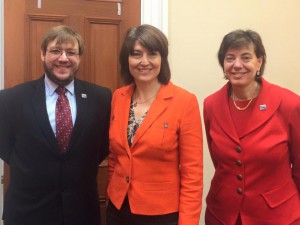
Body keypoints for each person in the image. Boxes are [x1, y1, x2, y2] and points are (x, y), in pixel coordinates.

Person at [0, 25, 111, 225]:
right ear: (42, 54)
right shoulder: (11, 100)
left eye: (71, 52)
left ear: (79, 57)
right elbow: (6, 150)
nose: (63, 58)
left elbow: (102, 147)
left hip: (82, 213)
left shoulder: (101, 98)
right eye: (55, 51)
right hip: (28, 213)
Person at [106, 24, 203, 225]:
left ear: (162, 59)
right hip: (118, 210)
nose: (144, 62)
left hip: (161, 214)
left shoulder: (184, 101)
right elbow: (115, 157)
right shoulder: (118, 97)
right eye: (136, 54)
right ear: (127, 59)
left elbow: (192, 174)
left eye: (152, 54)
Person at [203, 29, 300, 225]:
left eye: (245, 57)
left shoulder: (289, 104)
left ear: (259, 62)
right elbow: (220, 163)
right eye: (230, 58)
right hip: (222, 215)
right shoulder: (211, 105)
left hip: (277, 216)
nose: (237, 65)